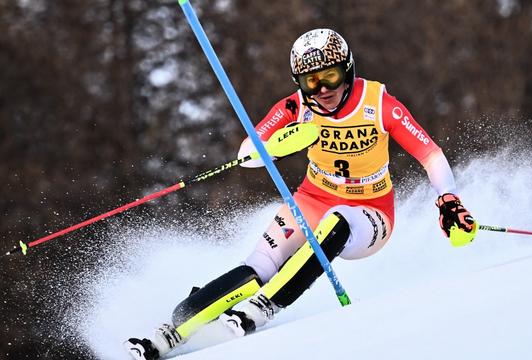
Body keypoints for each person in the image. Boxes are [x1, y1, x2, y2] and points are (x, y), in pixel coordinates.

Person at [125, 28, 475, 360]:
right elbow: (247, 153)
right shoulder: (295, 107)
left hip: (370, 214)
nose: (322, 89)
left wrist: (448, 199)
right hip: (312, 199)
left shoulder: (378, 103)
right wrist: (275, 145)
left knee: (339, 221)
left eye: (331, 77)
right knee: (258, 267)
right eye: (311, 81)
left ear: (347, 71)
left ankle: (266, 305)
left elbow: (430, 153)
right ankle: (175, 330)